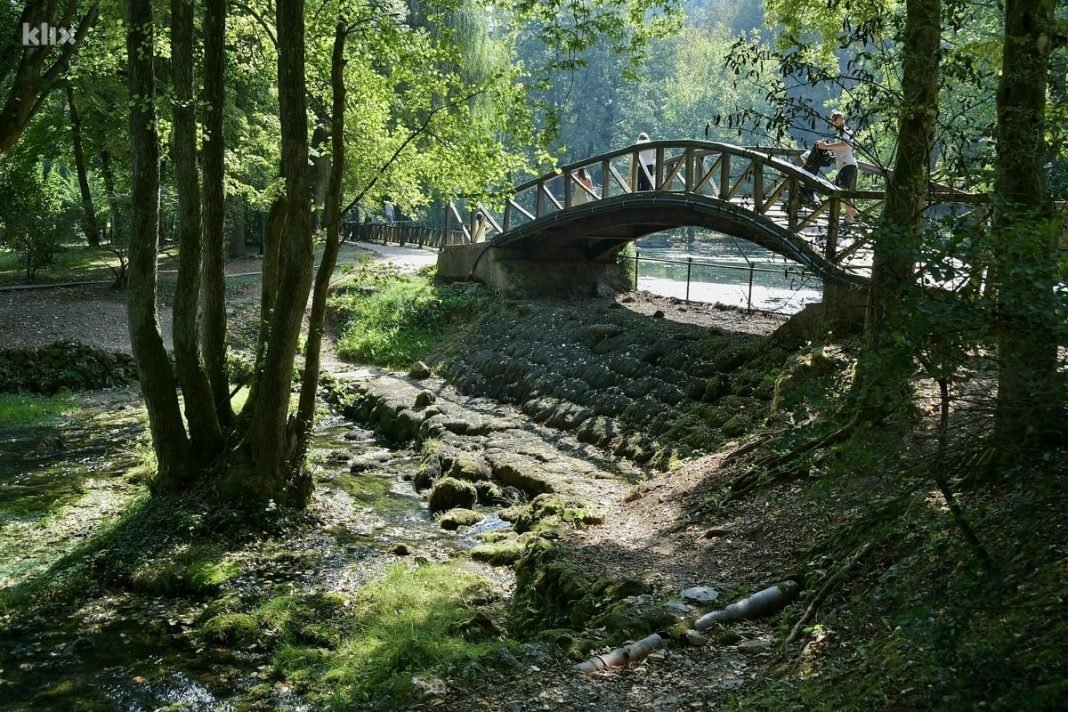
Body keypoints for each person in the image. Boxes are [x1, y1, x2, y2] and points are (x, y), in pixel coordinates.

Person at [817, 112, 858, 221]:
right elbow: (837, 149)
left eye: (838, 119)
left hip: (848, 165)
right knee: (844, 191)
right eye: (834, 119)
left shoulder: (846, 131)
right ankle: (852, 214)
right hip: (846, 166)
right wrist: (827, 148)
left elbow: (845, 145)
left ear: (843, 119)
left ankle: (849, 217)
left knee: (840, 191)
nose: (836, 121)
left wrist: (827, 146)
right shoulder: (840, 134)